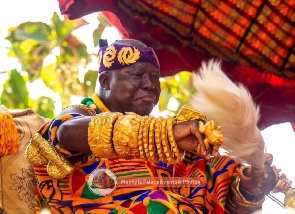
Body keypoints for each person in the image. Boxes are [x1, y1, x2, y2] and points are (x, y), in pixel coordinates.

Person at [26, 39, 278, 214]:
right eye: (137, 75)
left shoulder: (175, 146)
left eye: (154, 78)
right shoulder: (81, 115)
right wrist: (165, 134)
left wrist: (248, 188)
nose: (150, 85)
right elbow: (65, 133)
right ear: (105, 81)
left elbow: (212, 195)